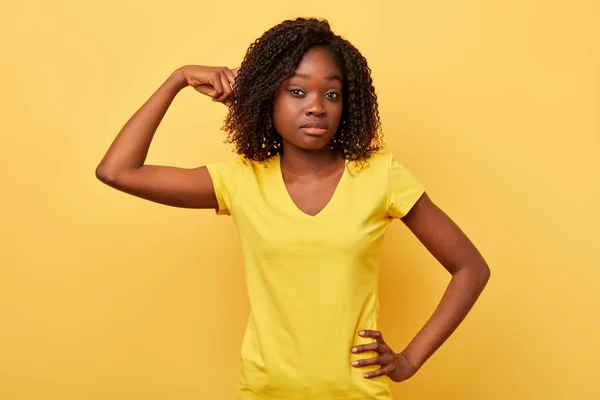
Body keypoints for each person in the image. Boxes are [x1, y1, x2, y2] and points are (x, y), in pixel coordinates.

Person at [96, 17, 490, 400]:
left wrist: (408, 360)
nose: (317, 106)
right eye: (297, 92)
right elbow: (117, 171)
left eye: (331, 94)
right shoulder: (241, 181)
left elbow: (470, 268)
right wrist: (178, 78)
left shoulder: (380, 178)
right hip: (265, 393)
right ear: (268, 97)